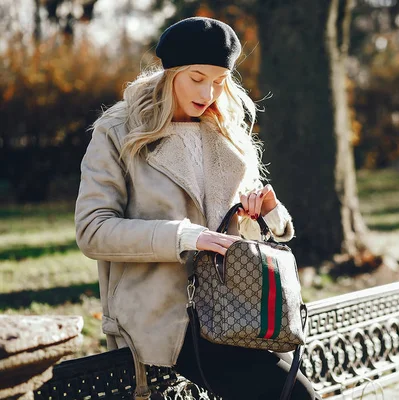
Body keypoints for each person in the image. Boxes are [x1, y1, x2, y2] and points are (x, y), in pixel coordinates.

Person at [75, 17, 319, 400]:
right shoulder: (119, 130)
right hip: (162, 315)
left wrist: (265, 213)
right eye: (196, 77)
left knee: (296, 391)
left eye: (220, 81)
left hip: (231, 308)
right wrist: (186, 236)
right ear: (170, 72)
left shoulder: (224, 130)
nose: (208, 92)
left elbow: (244, 228)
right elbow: (92, 230)